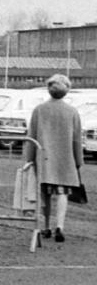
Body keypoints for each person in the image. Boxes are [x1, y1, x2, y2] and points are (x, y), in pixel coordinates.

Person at [24, 74, 86, 242]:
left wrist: (29, 158)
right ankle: (60, 226)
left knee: (44, 194)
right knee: (62, 193)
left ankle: (46, 226)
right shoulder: (72, 112)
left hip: (43, 158)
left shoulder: (39, 110)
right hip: (65, 159)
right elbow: (77, 139)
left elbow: (32, 136)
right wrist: (78, 161)